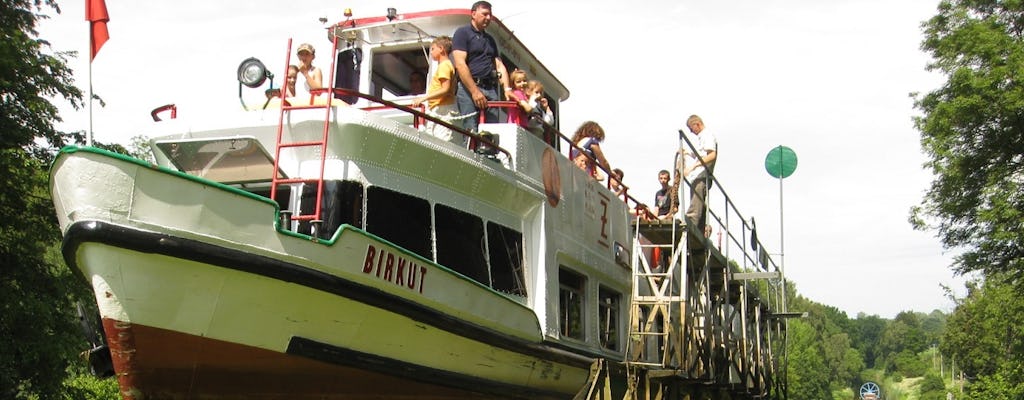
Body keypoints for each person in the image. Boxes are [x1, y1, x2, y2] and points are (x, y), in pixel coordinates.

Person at [452, 1, 511, 132]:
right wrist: (475, 91)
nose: (488, 18)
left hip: (490, 89)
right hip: (469, 88)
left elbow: (499, 65)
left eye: (490, 15)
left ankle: (488, 152)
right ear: (473, 14)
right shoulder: (462, 33)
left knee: (491, 133)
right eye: (484, 14)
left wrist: (507, 88)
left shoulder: (490, 39)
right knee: (470, 130)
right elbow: (460, 64)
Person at [411, 36, 463, 146]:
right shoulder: (447, 65)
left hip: (443, 109)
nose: (431, 52)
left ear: (441, 49)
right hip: (440, 108)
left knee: (441, 142)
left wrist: (424, 98)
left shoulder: (444, 66)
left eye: (433, 49)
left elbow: (445, 89)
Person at [677, 114, 718, 229]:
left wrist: (693, 167)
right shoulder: (702, 137)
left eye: (691, 128)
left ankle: (687, 227)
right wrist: (687, 152)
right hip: (698, 176)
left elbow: (712, 155)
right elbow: (701, 154)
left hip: (702, 176)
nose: (691, 132)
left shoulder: (707, 135)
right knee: (699, 207)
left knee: (695, 209)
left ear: (697, 124)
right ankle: (698, 231)